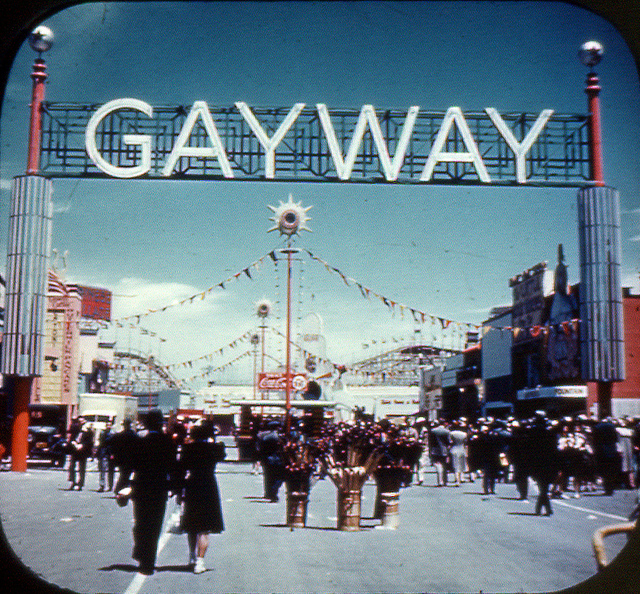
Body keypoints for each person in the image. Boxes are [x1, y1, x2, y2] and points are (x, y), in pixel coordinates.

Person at [123, 409, 178, 575]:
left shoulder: (140, 442)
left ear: (146, 424)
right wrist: (175, 486)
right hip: (160, 488)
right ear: (161, 424)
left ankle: (141, 551)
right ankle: (149, 561)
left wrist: (124, 486)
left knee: (140, 523)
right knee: (155, 525)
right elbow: (173, 466)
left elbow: (130, 465)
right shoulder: (168, 442)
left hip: (141, 488)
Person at [177, 422, 225, 574]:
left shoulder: (187, 449)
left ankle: (191, 556)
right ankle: (200, 561)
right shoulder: (214, 448)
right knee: (204, 529)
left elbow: (181, 468)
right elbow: (221, 455)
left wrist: (179, 491)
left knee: (192, 524)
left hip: (192, 484)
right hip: (209, 485)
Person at [528, 411, 559, 516]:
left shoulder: (532, 431)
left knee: (543, 486)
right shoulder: (550, 432)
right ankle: (545, 509)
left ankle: (542, 508)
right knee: (544, 486)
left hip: (536, 461)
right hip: (548, 461)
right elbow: (555, 448)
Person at [256, 420, 285, 501]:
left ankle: (268, 493)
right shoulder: (279, 437)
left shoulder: (263, 436)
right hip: (278, 459)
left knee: (268, 477)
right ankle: (273, 492)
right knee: (278, 477)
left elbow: (259, 448)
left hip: (266, 459)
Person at [110, 418, 138, 494]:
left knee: (124, 474)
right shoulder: (134, 436)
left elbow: (111, 444)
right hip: (131, 459)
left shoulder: (119, 435)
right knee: (126, 475)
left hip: (121, 459)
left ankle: (120, 488)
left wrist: (114, 454)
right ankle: (119, 489)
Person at [67, 418, 94, 491]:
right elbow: (71, 438)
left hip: (83, 451)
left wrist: (82, 445)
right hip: (75, 450)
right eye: (79, 422)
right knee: (72, 467)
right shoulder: (75, 429)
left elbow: (90, 442)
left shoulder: (88, 431)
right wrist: (73, 443)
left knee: (82, 468)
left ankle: (80, 484)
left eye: (82, 422)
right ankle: (73, 482)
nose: (80, 423)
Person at [429, 420, 451, 487]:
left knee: (438, 465)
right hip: (444, 450)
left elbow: (430, 441)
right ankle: (445, 480)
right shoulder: (447, 431)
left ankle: (440, 481)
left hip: (435, 450)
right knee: (444, 465)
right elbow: (449, 441)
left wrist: (430, 450)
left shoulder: (433, 431)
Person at [97, 421, 115, 492]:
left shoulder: (113, 433)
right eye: (107, 425)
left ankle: (111, 486)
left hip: (111, 453)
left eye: (110, 425)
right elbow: (101, 443)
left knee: (111, 471)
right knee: (102, 470)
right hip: (104, 453)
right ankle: (102, 485)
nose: (108, 427)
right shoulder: (102, 433)